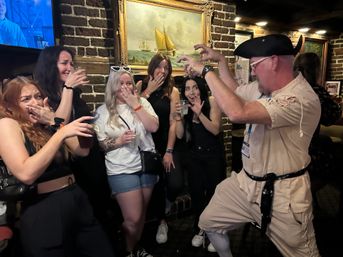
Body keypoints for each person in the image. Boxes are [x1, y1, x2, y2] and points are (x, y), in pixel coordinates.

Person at [178, 34, 322, 257]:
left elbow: (238, 112)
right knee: (208, 221)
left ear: (273, 61)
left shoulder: (300, 98)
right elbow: (234, 93)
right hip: (247, 184)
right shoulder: (263, 87)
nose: (252, 71)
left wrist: (206, 72)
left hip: (285, 196)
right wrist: (222, 62)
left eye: (255, 65)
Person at [0, 76, 114, 257]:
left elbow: (81, 150)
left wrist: (55, 121)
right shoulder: (8, 124)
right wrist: (60, 135)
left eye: (38, 96)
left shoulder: (45, 125)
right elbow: (26, 173)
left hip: (75, 196)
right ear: (11, 105)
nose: (35, 102)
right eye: (26, 99)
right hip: (45, 207)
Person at [33, 46, 113, 236]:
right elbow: (58, 124)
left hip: (91, 158)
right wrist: (68, 88)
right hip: (71, 167)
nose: (70, 67)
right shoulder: (42, 96)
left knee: (101, 214)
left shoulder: (75, 94)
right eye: (64, 63)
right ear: (50, 66)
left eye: (71, 63)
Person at [94, 68, 159, 257]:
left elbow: (153, 127)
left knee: (141, 215)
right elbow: (101, 145)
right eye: (120, 83)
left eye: (128, 83)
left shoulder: (143, 103)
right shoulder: (102, 111)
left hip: (146, 165)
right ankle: (127, 250)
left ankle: (135, 248)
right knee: (133, 218)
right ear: (113, 86)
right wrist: (118, 141)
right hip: (121, 169)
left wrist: (135, 104)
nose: (125, 87)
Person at [175, 76, 226, 252]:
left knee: (213, 195)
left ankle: (216, 232)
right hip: (195, 157)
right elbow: (181, 136)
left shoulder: (211, 101)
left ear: (201, 88)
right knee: (197, 195)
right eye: (187, 89)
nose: (191, 92)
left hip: (213, 157)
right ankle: (200, 229)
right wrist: (178, 118)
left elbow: (215, 129)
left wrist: (200, 114)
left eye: (195, 87)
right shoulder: (185, 107)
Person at [138, 53, 185, 244]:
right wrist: (147, 91)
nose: (163, 71)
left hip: (168, 143)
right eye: (160, 67)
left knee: (175, 183)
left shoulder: (172, 91)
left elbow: (174, 122)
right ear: (152, 67)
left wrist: (169, 151)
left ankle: (167, 204)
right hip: (147, 146)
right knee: (155, 186)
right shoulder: (140, 85)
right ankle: (161, 222)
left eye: (166, 68)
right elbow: (132, 112)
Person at [293, 52, 342, 198]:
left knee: (325, 142)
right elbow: (332, 117)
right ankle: (305, 195)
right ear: (316, 70)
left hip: (285, 146)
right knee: (332, 165)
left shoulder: (288, 89)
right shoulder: (316, 91)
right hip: (306, 149)